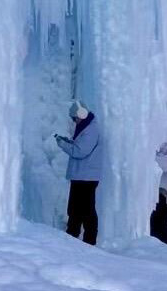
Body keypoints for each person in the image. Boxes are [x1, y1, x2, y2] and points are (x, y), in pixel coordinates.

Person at [55, 100, 103, 245]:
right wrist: (68, 142)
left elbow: (80, 151)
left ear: (81, 114)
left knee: (85, 210)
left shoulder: (91, 129)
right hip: (82, 175)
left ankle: (88, 240)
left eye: (74, 117)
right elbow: (79, 147)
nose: (73, 121)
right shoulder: (87, 127)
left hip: (86, 177)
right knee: (76, 208)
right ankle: (73, 235)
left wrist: (62, 144)